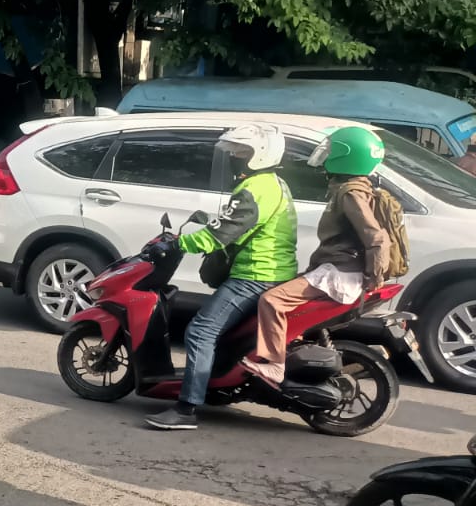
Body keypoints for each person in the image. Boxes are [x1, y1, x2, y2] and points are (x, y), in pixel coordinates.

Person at [145, 123, 298, 430]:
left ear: (260, 155)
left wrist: (178, 243)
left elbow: (220, 235)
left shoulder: (255, 189)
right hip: (273, 271)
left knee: (200, 332)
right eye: (235, 151)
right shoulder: (273, 183)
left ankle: (186, 409)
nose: (235, 157)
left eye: (241, 152)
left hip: (256, 275)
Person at [242, 126, 393, 388]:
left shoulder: (351, 193)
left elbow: (376, 237)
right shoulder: (354, 187)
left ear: (347, 156)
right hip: (336, 269)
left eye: (332, 151)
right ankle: (292, 352)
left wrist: (374, 276)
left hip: (338, 273)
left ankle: (275, 366)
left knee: (272, 300)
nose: (325, 156)